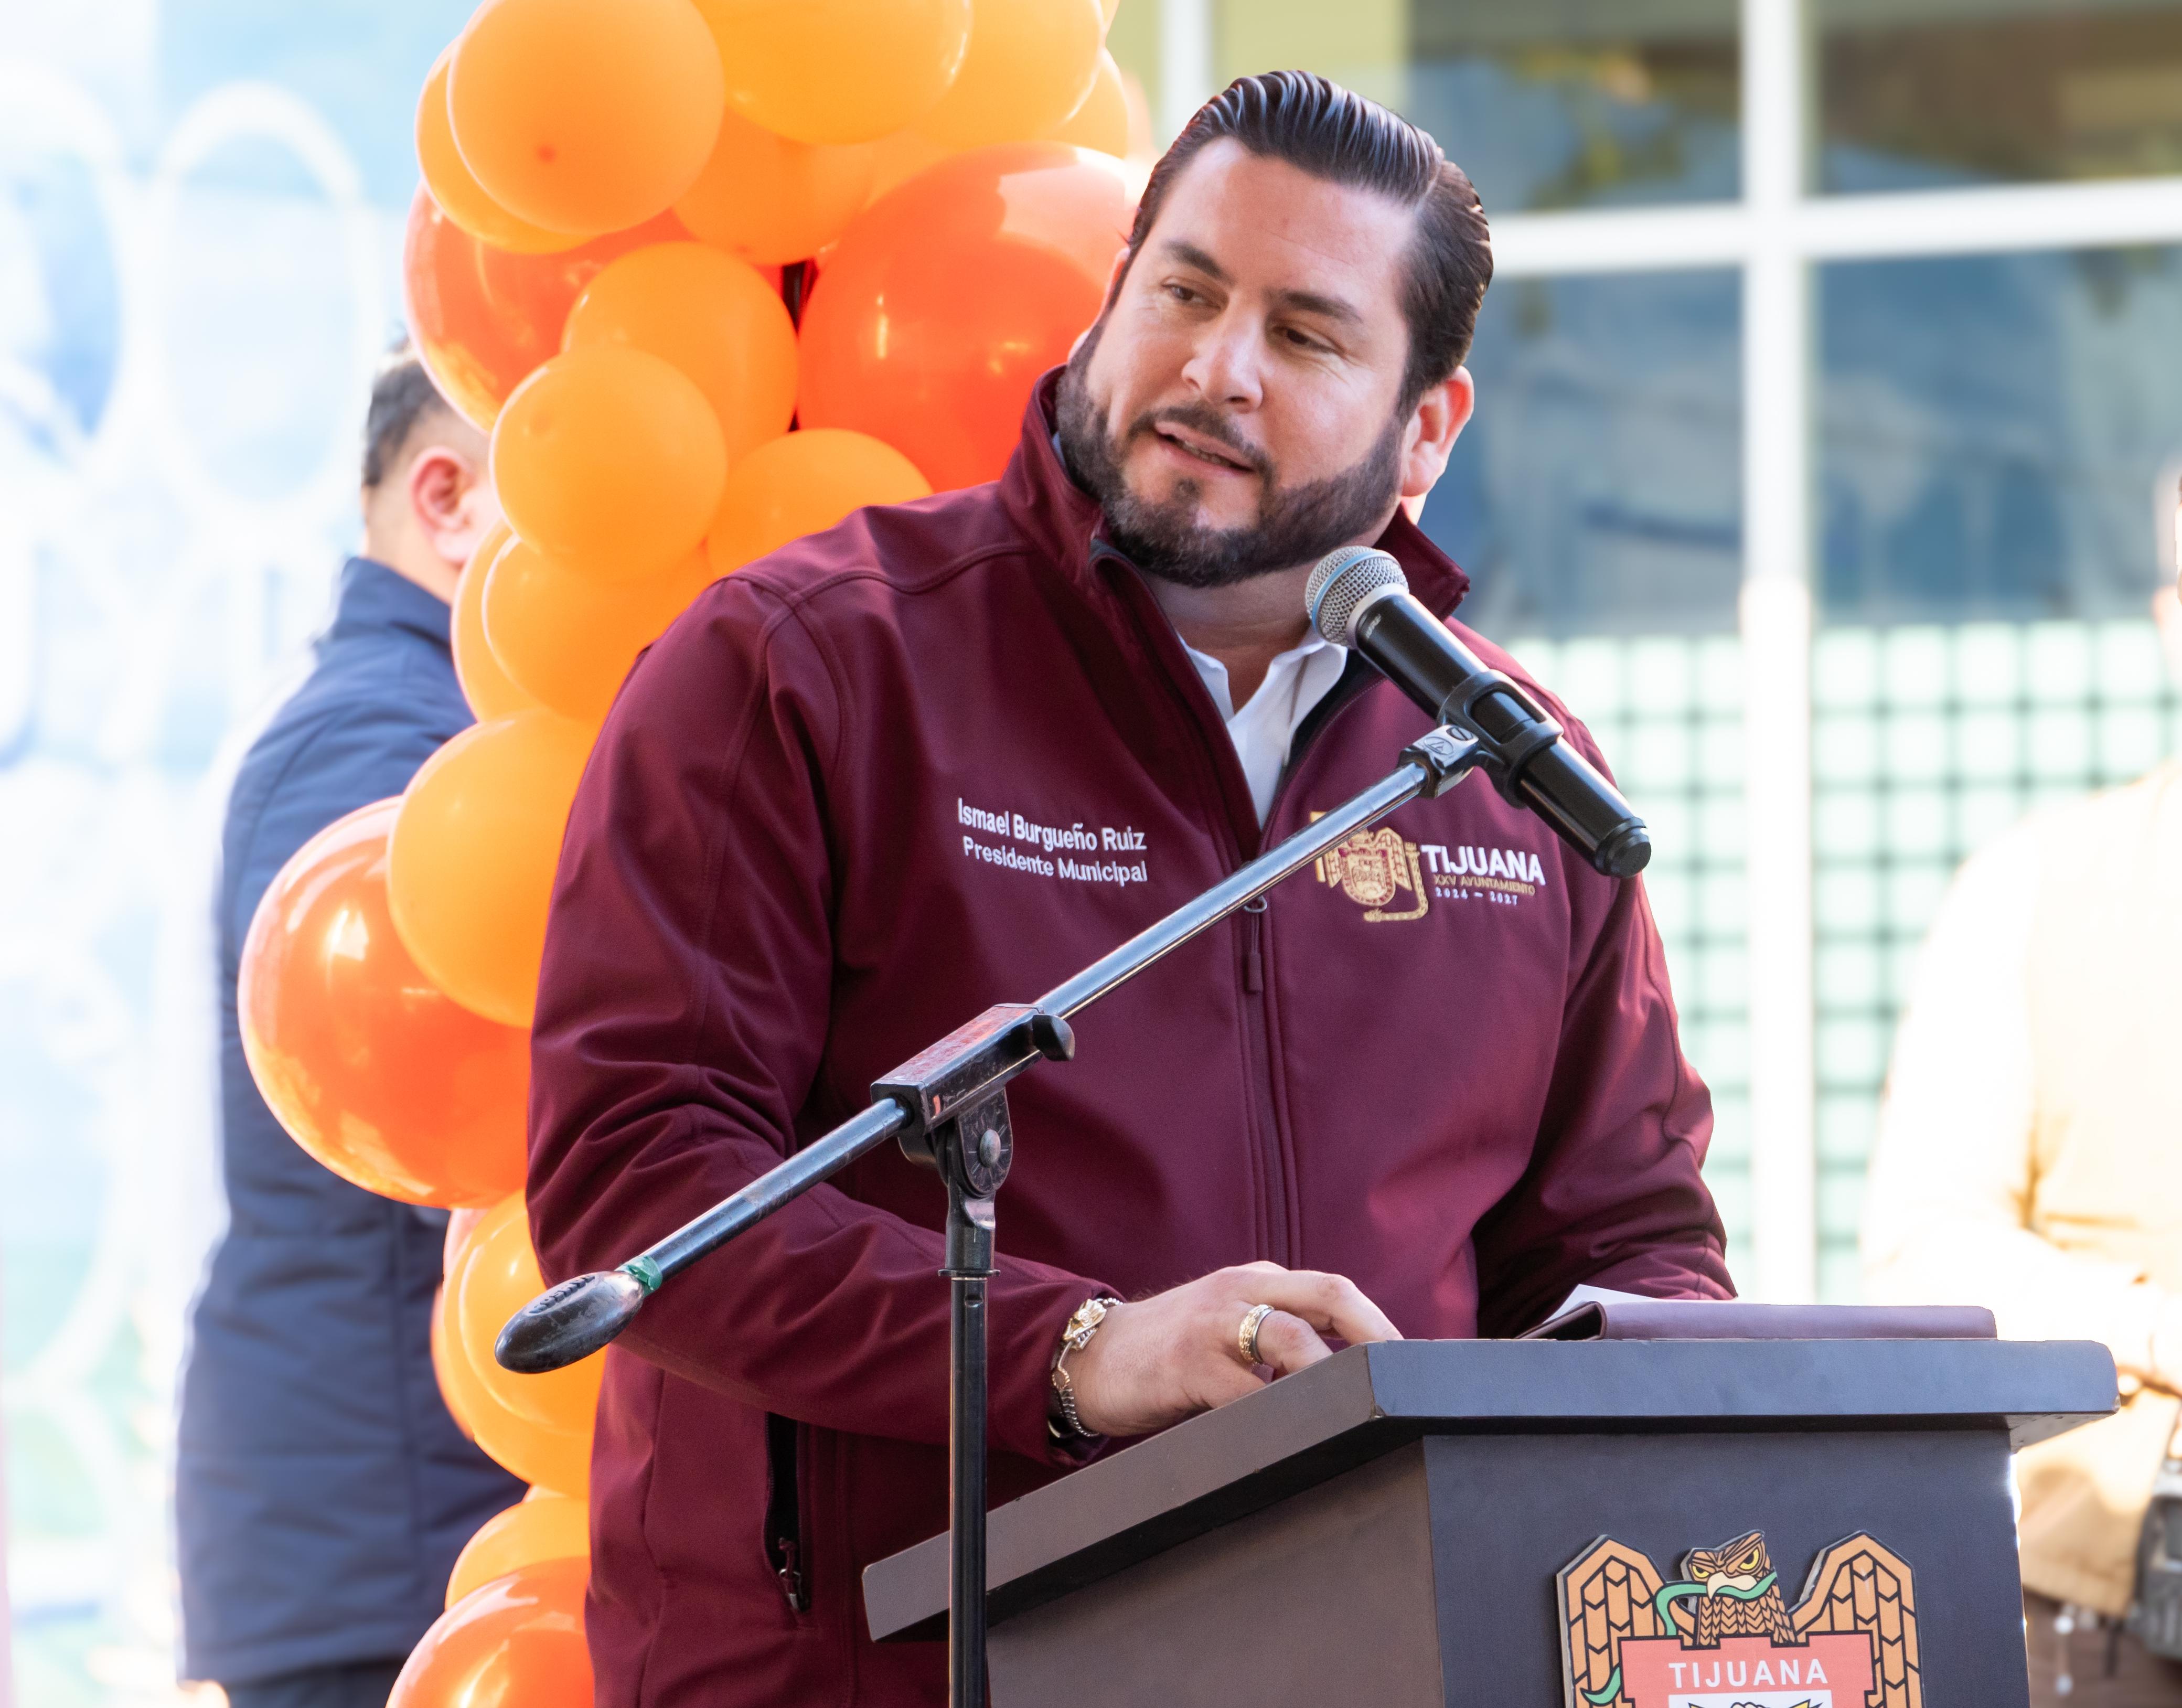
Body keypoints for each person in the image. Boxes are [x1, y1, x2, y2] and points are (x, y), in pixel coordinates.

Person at [527, 72, 1732, 1708]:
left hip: (1360, 1670)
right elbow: (638, 1178)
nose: (1213, 368)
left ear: (1426, 430)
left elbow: (1629, 1243)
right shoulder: (806, 665)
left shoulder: (1505, 772)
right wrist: (1086, 1353)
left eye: (1306, 336)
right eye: (1182, 289)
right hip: (864, 1672)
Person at [177, 350, 522, 1708]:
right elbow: (418, 1100)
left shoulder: (424, 723)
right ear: (448, 501)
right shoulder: (381, 741)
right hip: (383, 1548)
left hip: (376, 1537)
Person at [1862, 584, 2182, 1708]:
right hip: (2113, 1595)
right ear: (2171, 618)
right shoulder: (2038, 887)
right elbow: (1923, 1249)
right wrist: (2156, 1323)